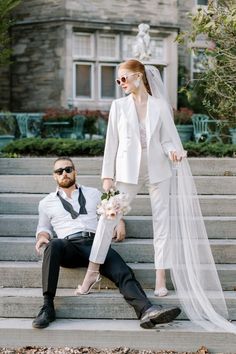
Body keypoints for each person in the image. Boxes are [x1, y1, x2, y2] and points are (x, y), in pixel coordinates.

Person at [78, 59, 236, 334]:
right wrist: (107, 175)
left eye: (124, 78)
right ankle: (92, 272)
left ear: (139, 77)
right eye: (118, 80)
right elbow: (111, 142)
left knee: (162, 222)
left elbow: (165, 139)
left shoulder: (160, 106)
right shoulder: (118, 107)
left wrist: (173, 151)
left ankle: (161, 278)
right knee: (107, 221)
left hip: (159, 172)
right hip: (127, 174)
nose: (121, 84)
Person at [32, 156, 181, 329]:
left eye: (68, 169)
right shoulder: (46, 202)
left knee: (122, 271)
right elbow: (44, 228)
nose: (64, 173)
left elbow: (112, 210)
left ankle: (146, 310)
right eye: (59, 171)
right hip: (68, 246)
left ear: (75, 172)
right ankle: (47, 307)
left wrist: (120, 222)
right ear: (54, 176)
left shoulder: (93, 194)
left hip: (96, 243)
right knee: (53, 244)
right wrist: (42, 237)